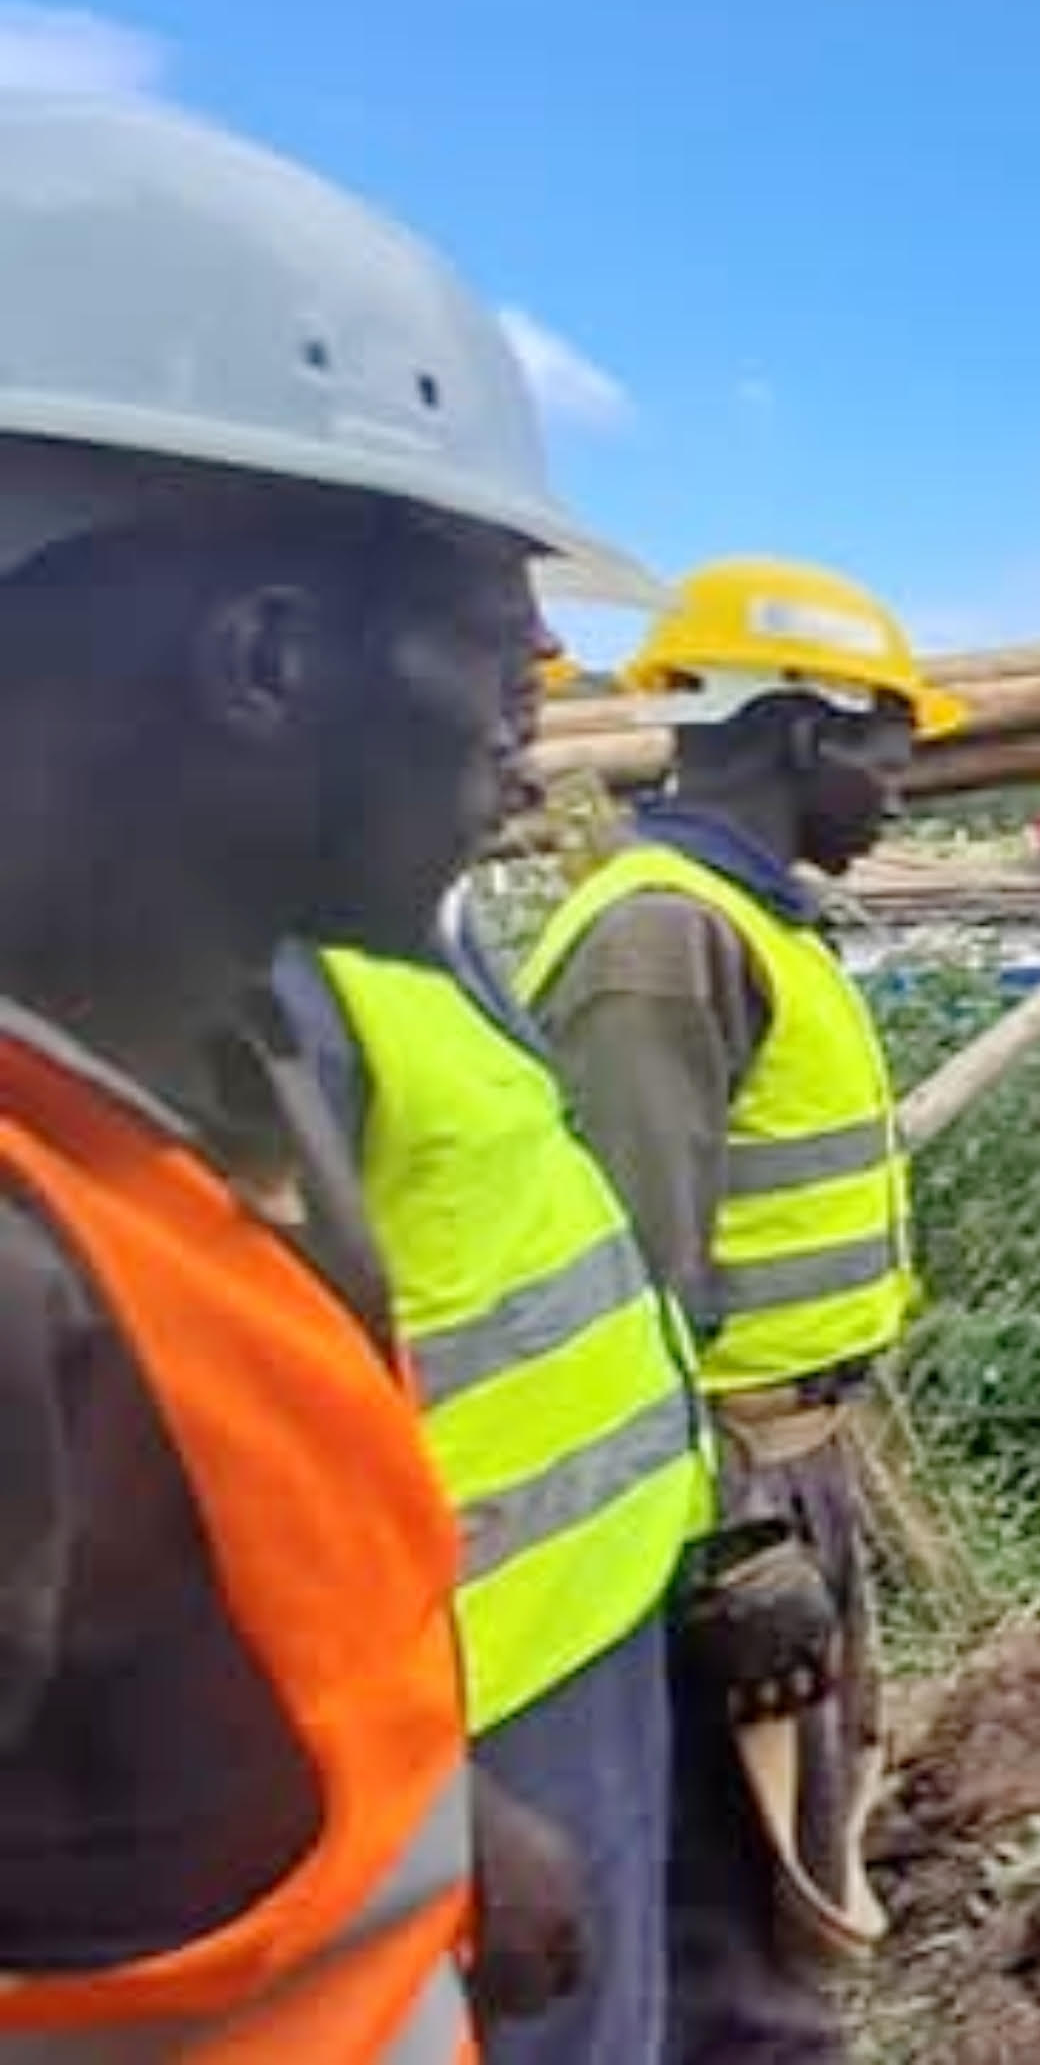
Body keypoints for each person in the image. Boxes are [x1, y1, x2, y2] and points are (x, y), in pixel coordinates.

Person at [0, 97, 646, 2051]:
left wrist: (442, 1820)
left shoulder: (206, 1080)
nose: (532, 738)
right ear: (272, 660)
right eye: (499, 656)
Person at [523, 556, 964, 2063]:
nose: (900, 787)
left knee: (784, 1885)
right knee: (728, 1916)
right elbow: (632, 1291)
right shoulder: (662, 942)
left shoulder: (747, 921)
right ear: (798, 731)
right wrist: (727, 1535)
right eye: (887, 746)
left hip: (788, 1466)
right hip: (723, 1488)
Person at [294, 884, 722, 2065]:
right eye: (489, 687)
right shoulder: (271, 976)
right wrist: (443, 1795)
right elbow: (246, 1440)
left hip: (581, 1618)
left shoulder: (420, 919)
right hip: (472, 1684)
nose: (526, 727)